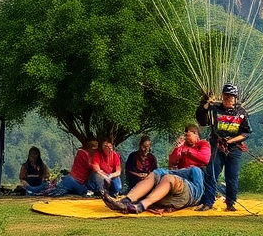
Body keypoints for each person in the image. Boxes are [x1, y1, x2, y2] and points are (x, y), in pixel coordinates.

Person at [196, 83, 251, 211]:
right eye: (226, 96)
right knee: (211, 173)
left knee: (231, 176)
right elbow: (202, 120)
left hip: (234, 148)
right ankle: (208, 202)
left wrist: (232, 140)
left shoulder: (241, 112)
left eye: (231, 97)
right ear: (222, 96)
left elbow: (247, 132)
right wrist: (204, 104)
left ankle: (231, 203)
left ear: (235, 98)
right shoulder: (215, 109)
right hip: (217, 146)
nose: (229, 99)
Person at [101, 166, 204, 214]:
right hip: (166, 193)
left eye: (188, 134)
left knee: (167, 177)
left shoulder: (197, 168)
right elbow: (171, 163)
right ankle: (125, 201)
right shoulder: (180, 152)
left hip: (191, 192)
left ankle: (140, 206)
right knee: (156, 174)